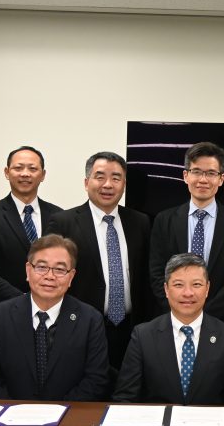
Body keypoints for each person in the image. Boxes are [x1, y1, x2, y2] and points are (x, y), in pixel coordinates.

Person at [48, 151, 151, 368]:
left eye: (116, 178)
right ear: (87, 183)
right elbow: (53, 276)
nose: (108, 185)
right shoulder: (63, 222)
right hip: (80, 327)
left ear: (124, 184)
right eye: (100, 177)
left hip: (132, 329)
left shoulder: (141, 222)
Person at [0, 234, 110, 401]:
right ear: (28, 270)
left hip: (69, 414)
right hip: (12, 414)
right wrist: (15, 412)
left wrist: (61, 412)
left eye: (59, 269)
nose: (49, 276)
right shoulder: (0, 316)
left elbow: (96, 380)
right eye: (41, 267)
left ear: (71, 276)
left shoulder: (90, 320)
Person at [114, 253, 224, 405]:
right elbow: (124, 398)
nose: (188, 293)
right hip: (160, 420)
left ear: (207, 288)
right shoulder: (143, 336)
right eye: (178, 285)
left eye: (196, 284)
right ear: (166, 289)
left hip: (209, 420)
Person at [148, 142, 224, 329]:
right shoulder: (164, 220)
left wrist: (204, 315)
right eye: (196, 172)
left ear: (221, 179)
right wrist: (180, 311)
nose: (203, 179)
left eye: (211, 173)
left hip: (221, 322)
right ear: (185, 176)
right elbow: (157, 273)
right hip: (172, 321)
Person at [0, 145, 62, 339]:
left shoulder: (59, 216)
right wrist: (25, 301)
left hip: (52, 317)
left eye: (32, 168)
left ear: (43, 175)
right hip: (2, 314)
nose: (25, 173)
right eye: (18, 168)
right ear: (6, 172)